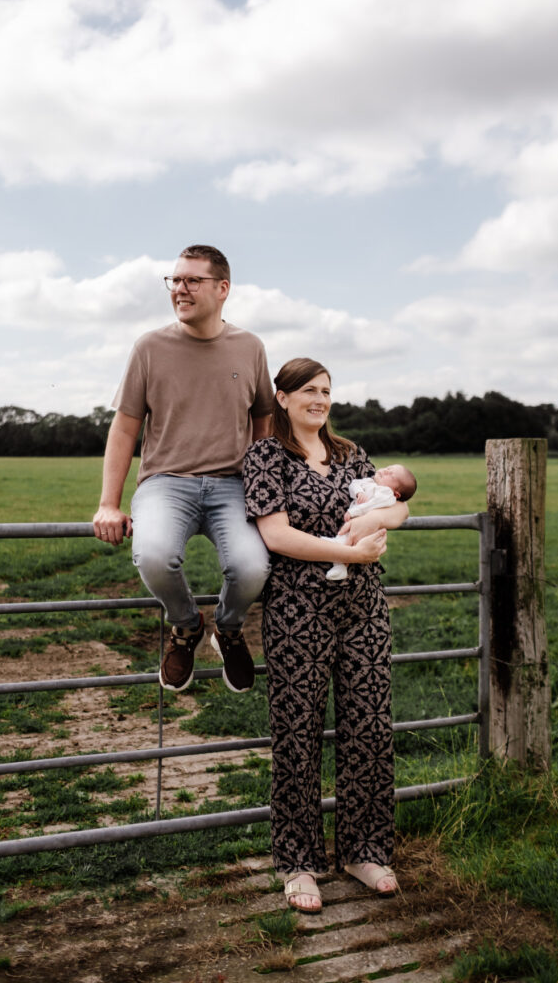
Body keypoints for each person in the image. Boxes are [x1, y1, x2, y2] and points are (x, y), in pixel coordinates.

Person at [243, 358, 410, 914]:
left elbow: (398, 504)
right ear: (282, 397)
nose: (319, 399)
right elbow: (276, 534)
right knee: (298, 731)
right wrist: (350, 550)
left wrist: (379, 522)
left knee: (368, 725)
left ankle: (365, 850)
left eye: (326, 390)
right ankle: (299, 861)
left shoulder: (350, 454)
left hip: (362, 609)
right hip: (297, 611)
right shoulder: (267, 455)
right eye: (308, 390)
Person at [92, 244, 273, 695]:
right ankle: (187, 626)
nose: (179, 289)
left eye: (192, 280)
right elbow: (124, 429)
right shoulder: (149, 347)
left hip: (233, 484)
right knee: (153, 555)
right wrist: (108, 504)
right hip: (165, 484)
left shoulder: (250, 347)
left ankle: (228, 629)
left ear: (223, 288)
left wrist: (259, 485)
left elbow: (264, 420)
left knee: (252, 567)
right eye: (174, 280)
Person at [326, 463, 417, 582]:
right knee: (347, 539)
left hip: (361, 522)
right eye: (388, 468)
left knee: (353, 541)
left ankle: (340, 565)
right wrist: (359, 492)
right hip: (353, 520)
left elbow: (370, 505)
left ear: (396, 494)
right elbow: (354, 484)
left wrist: (353, 512)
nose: (384, 471)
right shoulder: (369, 481)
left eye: (391, 475)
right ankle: (336, 557)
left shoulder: (386, 495)